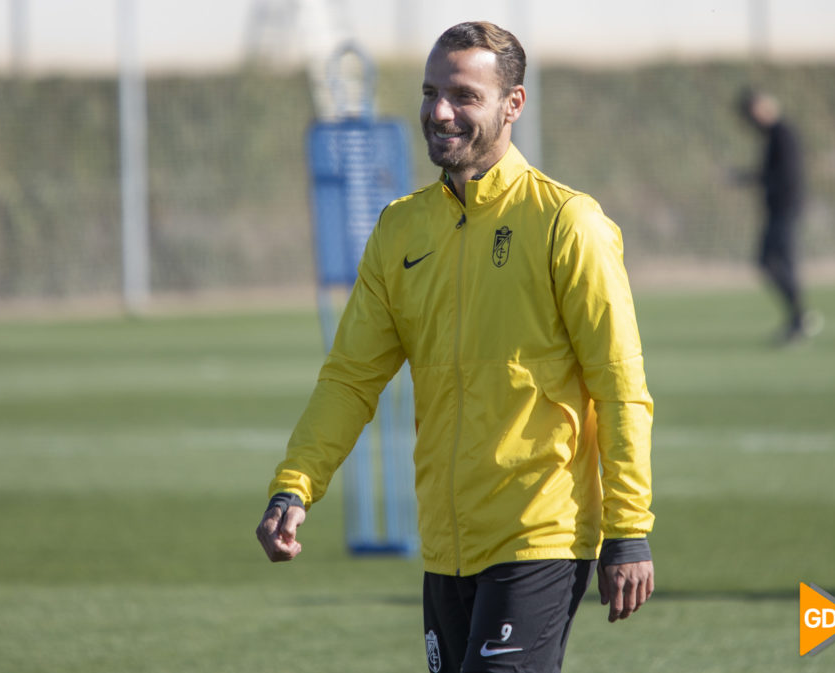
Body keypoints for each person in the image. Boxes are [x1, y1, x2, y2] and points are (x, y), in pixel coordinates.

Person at [257, 21, 654, 673]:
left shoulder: (566, 222)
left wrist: (629, 527)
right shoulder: (400, 229)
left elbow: (619, 384)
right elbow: (351, 379)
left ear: (513, 105)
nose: (440, 111)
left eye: (464, 95)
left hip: (540, 534)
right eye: (430, 91)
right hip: (445, 548)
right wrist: (293, 488)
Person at [735, 88, 820, 344]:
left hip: (786, 209)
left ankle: (801, 317)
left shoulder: (783, 134)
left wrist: (751, 179)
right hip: (779, 209)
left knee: (773, 261)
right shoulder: (773, 135)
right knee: (775, 262)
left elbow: (786, 175)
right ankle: (799, 318)